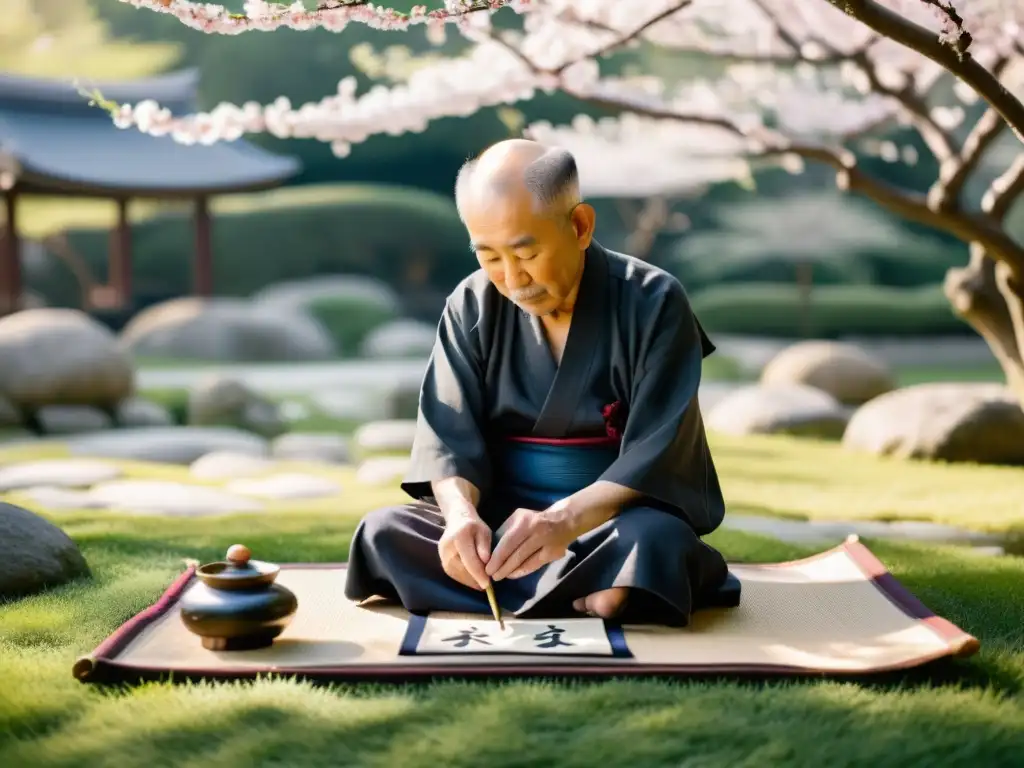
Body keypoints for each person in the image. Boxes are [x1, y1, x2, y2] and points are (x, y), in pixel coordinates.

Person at [344, 138, 736, 626]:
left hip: (606, 524)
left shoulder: (653, 300)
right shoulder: (471, 304)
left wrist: (564, 521)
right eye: (489, 256)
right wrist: (462, 517)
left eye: (525, 253)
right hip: (501, 528)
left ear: (579, 226)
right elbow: (448, 437)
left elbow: (657, 451)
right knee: (382, 532)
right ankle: (597, 595)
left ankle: (572, 584)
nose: (511, 277)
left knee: (654, 543)